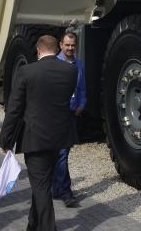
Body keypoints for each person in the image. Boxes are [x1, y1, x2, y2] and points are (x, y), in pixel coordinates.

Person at [0, 35, 78, 231]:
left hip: (34, 137)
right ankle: (32, 225)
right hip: (59, 138)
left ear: (38, 50)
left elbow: (14, 108)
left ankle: (47, 227)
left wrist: (6, 139)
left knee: (41, 187)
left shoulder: (27, 71)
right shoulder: (71, 70)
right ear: (57, 48)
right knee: (42, 183)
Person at [52, 32, 86, 208]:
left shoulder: (79, 64)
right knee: (58, 154)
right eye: (67, 45)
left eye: (73, 45)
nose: (70, 48)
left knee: (63, 153)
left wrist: (82, 104)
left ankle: (59, 189)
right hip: (54, 115)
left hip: (71, 115)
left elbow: (82, 88)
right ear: (60, 45)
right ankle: (63, 190)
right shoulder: (53, 63)